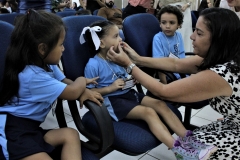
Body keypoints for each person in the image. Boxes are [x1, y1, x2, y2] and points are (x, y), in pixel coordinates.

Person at [107, 7, 240, 159]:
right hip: (234, 120)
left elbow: (163, 91)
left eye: (199, 33)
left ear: (218, 40)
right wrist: (137, 59)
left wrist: (129, 66)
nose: (191, 37)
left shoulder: (222, 73)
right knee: (193, 143)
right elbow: (175, 64)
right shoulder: (224, 57)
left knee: (199, 151)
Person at [80, 20, 217, 160]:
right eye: (115, 36)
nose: (120, 39)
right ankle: (179, 151)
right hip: (113, 101)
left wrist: (132, 78)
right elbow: (90, 93)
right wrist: (111, 88)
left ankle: (189, 139)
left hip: (128, 94)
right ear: (102, 43)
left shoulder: (118, 57)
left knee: (160, 104)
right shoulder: (93, 65)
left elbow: (125, 72)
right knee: (149, 112)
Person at [0, 9, 103, 160]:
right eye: (61, 44)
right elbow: (72, 92)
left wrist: (82, 90)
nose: (64, 49)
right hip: (14, 133)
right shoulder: (32, 76)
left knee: (71, 134)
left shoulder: (46, 63)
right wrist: (81, 81)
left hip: (32, 129)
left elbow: (64, 82)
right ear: (42, 49)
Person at [153, 5, 185, 84]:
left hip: (180, 71)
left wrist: (185, 73)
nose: (167, 26)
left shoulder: (179, 36)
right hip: (167, 75)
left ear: (179, 24)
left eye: (172, 23)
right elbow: (159, 63)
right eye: (163, 22)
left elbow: (181, 55)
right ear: (160, 24)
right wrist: (164, 85)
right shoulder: (158, 38)